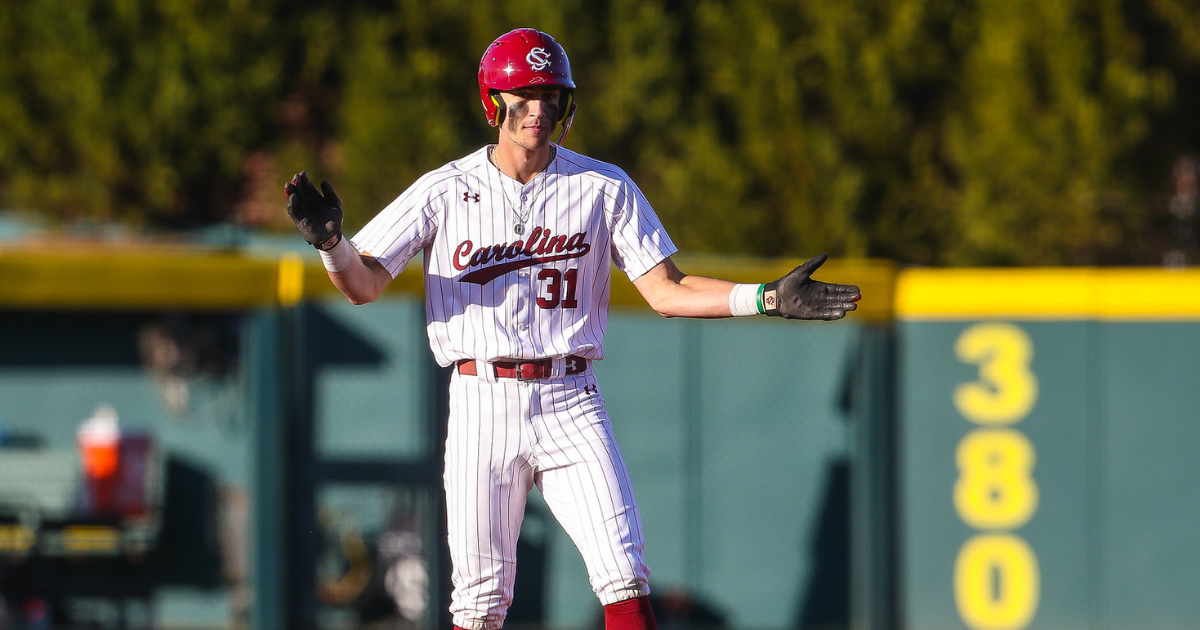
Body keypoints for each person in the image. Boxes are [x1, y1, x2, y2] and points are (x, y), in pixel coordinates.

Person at [285, 27, 860, 630]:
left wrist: (764, 297)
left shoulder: (602, 185)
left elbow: (666, 289)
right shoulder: (445, 189)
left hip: (570, 396)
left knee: (624, 574)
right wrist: (331, 244)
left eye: (550, 95)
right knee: (478, 605)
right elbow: (364, 284)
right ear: (493, 102)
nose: (538, 109)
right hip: (482, 397)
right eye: (523, 94)